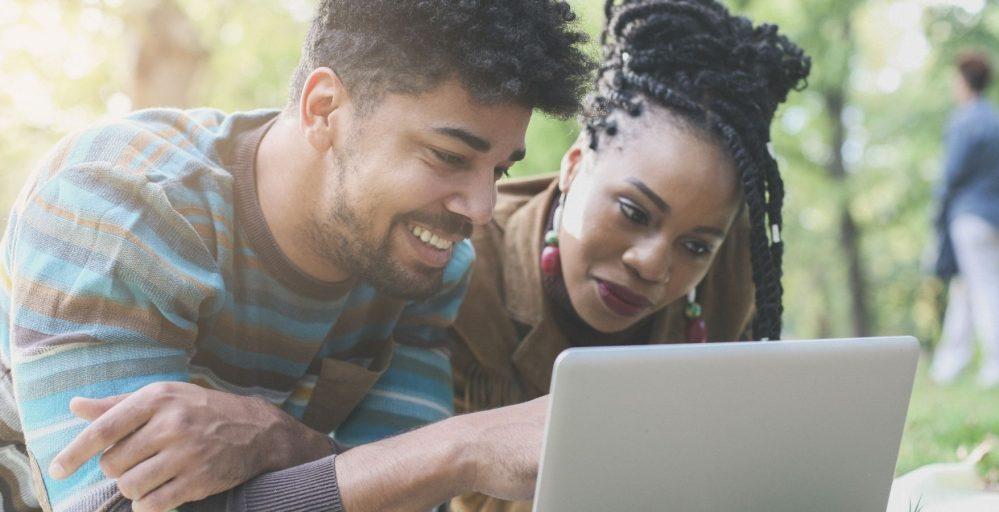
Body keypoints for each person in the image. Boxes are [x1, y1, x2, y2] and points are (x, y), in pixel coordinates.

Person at [0, 1, 591, 511]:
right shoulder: (119, 206)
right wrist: (464, 447)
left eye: (501, 169)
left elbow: (410, 495)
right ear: (324, 108)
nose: (483, 208)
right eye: (448, 156)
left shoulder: (423, 267)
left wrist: (279, 441)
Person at [446, 0, 811, 510]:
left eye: (696, 246)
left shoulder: (733, 280)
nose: (653, 265)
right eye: (634, 212)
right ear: (574, 166)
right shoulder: (462, 270)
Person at [931, 51, 999, 388]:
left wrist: (937, 217)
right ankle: (949, 365)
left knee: (985, 289)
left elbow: (950, 175)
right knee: (965, 289)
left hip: (970, 216)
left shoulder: (965, 120)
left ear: (965, 81)